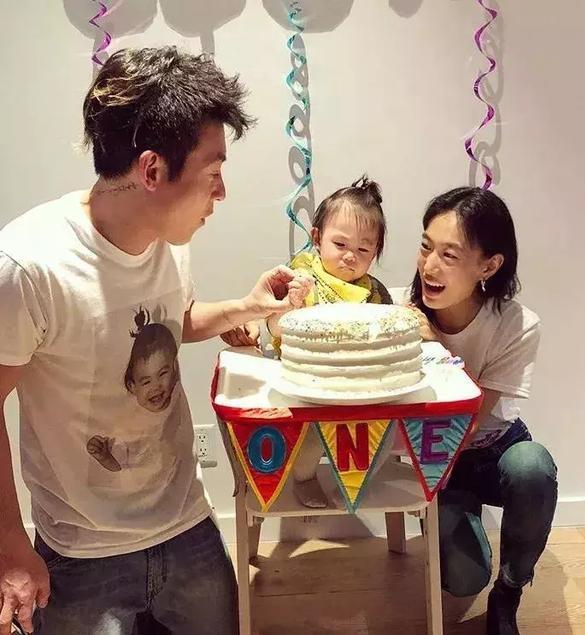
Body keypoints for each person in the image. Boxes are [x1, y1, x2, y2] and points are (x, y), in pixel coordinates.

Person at [0, 46, 312, 635]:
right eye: (213, 174)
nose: (222, 193)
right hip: (80, 549)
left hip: (185, 524)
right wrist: (11, 546)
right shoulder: (28, 265)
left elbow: (170, 323)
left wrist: (246, 306)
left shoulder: (169, 241)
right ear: (151, 171)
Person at [408, 186, 558, 635]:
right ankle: (463, 541)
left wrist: (433, 347)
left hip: (493, 447)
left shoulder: (516, 325)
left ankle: (509, 590)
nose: (429, 266)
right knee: (462, 579)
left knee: (532, 466)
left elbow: (468, 419)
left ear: (488, 266)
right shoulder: (398, 310)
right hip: (439, 461)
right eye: (426, 246)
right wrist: (260, 323)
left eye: (449, 255)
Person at [266, 175, 392, 507]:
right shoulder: (299, 278)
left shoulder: (374, 293)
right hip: (307, 383)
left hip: (360, 385)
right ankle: (304, 478)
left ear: (375, 253)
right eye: (340, 245)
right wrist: (290, 306)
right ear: (317, 238)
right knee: (311, 433)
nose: (350, 256)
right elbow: (274, 328)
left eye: (363, 249)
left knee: (387, 427)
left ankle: (354, 481)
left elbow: (386, 337)